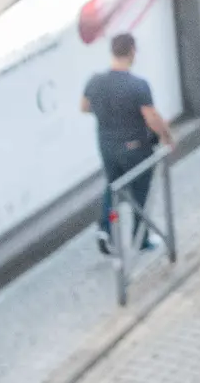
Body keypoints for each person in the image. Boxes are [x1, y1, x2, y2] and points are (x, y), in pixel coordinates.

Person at [81, 33, 174, 254]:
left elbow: (84, 107)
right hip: (135, 148)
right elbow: (151, 117)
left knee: (112, 189)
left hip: (107, 147)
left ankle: (107, 227)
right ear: (132, 51)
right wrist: (166, 136)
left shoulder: (95, 81)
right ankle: (140, 238)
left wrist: (106, 114)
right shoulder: (137, 85)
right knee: (140, 193)